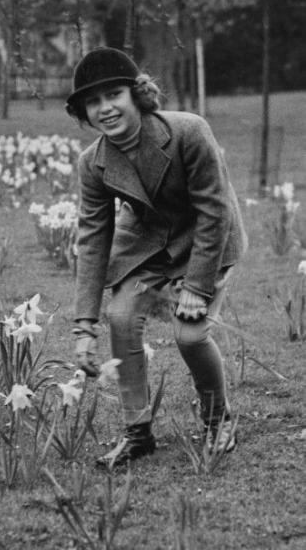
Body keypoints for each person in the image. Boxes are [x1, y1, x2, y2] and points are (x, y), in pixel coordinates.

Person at [66, 47, 247, 468]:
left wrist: (197, 286)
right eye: (93, 102)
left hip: (209, 239)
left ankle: (218, 420)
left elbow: (214, 211)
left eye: (113, 95)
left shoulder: (188, 131)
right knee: (122, 315)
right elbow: (93, 238)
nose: (105, 109)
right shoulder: (93, 163)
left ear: (137, 94)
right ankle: (137, 432)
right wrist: (83, 326)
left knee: (190, 334)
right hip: (150, 245)